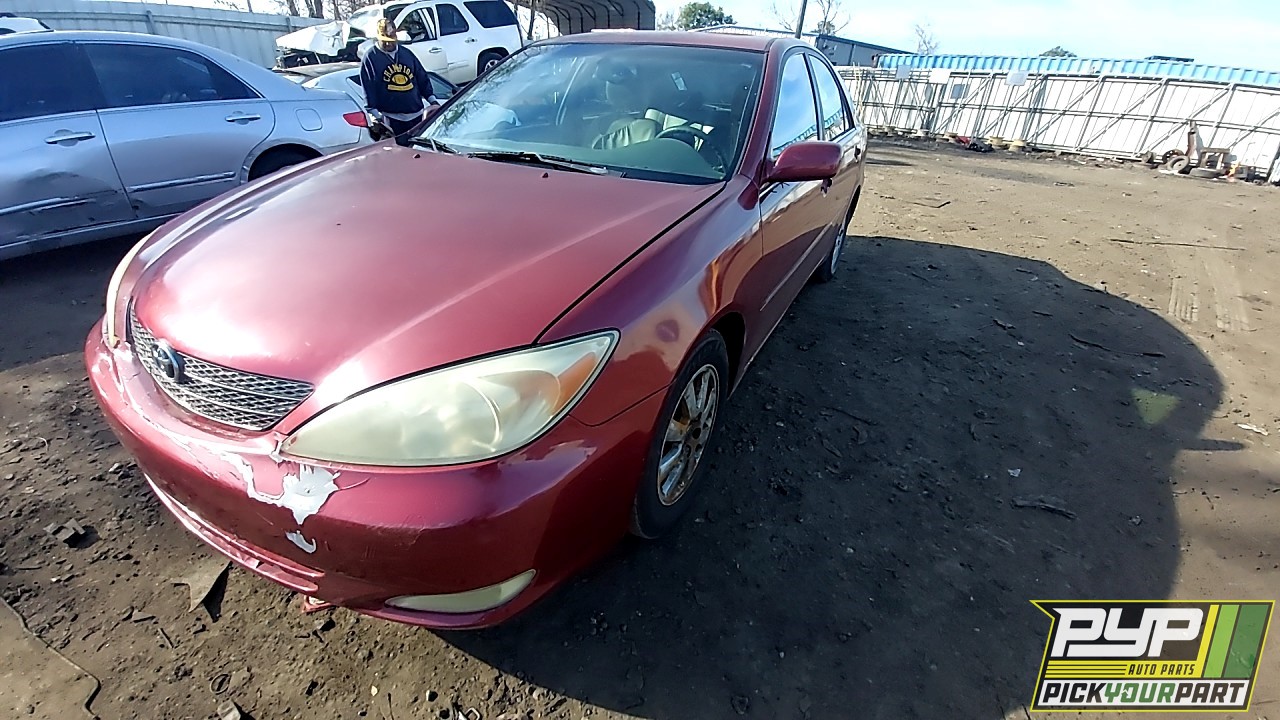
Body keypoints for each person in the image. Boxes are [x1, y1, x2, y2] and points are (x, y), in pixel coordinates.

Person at [359, 19, 441, 146]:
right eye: (384, 40)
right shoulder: (371, 57)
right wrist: (376, 115)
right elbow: (369, 88)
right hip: (391, 118)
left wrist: (433, 101)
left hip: (416, 115)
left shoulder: (407, 54)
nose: (388, 44)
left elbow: (422, 78)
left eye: (391, 40)